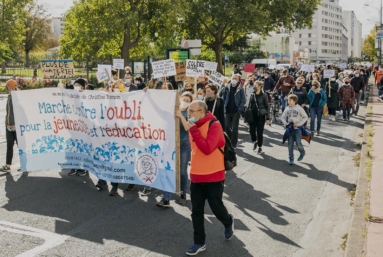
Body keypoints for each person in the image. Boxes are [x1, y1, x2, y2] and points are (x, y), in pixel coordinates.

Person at [185, 100, 234, 256]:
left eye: (192, 111)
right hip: (196, 175)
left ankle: (228, 221)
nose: (189, 114)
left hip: (214, 175)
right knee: (196, 211)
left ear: (202, 112)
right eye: (188, 111)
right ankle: (199, 242)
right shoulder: (192, 125)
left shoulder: (215, 125)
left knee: (216, 207)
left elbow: (207, 149)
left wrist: (194, 131)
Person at [156, 92, 193, 207]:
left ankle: (182, 193)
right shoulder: (171, 109)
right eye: (184, 99)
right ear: (179, 98)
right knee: (168, 169)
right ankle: (166, 197)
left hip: (184, 144)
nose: (185, 102)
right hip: (170, 144)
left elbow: (187, 127)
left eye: (188, 101)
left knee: (182, 170)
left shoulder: (190, 113)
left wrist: (180, 116)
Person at [281, 94, 308, 165]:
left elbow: (305, 117)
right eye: (288, 100)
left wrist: (299, 123)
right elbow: (282, 117)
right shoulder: (287, 108)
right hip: (290, 129)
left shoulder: (299, 108)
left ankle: (302, 153)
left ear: (294, 101)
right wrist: (286, 124)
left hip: (298, 129)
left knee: (298, 143)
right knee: (290, 144)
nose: (289, 101)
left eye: (290, 100)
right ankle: (291, 158)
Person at [0, 80, 20, 172]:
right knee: (9, 146)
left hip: (17, 127)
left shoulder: (18, 98)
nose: (6, 88)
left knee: (21, 146)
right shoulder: (9, 97)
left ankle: (24, 165)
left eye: (7, 87)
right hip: (8, 126)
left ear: (11, 87)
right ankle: (8, 166)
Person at [223, 74, 246, 148]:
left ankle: (233, 143)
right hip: (228, 110)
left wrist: (239, 109)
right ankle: (230, 139)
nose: (234, 79)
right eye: (233, 78)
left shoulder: (240, 89)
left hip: (236, 111)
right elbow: (224, 97)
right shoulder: (227, 87)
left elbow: (243, 100)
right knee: (226, 126)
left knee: (235, 128)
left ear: (238, 80)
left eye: (235, 78)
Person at [248, 81, 270, 154]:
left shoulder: (264, 95)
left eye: (256, 85)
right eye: (254, 85)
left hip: (261, 117)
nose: (254, 87)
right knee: (252, 131)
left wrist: (268, 118)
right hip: (252, 116)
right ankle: (255, 141)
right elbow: (249, 105)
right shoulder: (252, 95)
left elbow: (267, 106)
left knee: (260, 133)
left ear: (260, 86)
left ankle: (260, 147)